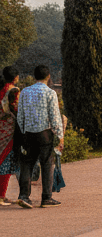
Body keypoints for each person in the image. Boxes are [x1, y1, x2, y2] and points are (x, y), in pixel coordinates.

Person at [16, 64, 64, 208]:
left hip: (28, 134)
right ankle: (46, 198)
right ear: (48, 77)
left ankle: (24, 196)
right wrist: (60, 135)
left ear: (34, 76)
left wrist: (23, 132)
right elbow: (55, 116)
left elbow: (20, 116)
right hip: (45, 134)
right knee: (47, 164)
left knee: (27, 165)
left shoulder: (24, 92)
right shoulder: (50, 93)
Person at [0, 66, 19, 205]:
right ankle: (1, 195)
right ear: (15, 77)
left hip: (1, 128)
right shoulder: (14, 90)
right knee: (5, 161)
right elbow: (17, 108)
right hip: (9, 130)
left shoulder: (1, 89)